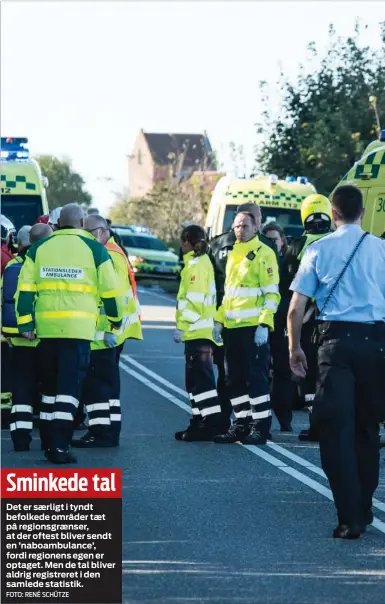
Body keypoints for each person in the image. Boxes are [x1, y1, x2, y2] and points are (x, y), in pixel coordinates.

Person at [288, 185, 385, 539]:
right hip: (375, 345)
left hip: (335, 346)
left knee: (335, 430)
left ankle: (350, 517)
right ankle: (364, 505)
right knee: (367, 429)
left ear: (333, 214)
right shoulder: (381, 249)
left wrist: (294, 348)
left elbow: (297, 307)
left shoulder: (319, 249)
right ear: (362, 213)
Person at [15, 203, 123, 464]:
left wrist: (25, 324)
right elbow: (111, 291)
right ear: (82, 222)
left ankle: (49, 443)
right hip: (78, 332)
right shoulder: (95, 249)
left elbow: (25, 290)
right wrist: (115, 320)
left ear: (58, 222)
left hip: (47, 332)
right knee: (68, 392)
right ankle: (60, 448)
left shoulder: (40, 248)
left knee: (50, 391)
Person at [72, 214, 142, 448]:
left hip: (104, 334)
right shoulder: (112, 251)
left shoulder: (109, 255)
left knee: (98, 385)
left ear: (102, 231)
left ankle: (101, 433)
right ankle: (108, 432)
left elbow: (114, 296)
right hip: (109, 332)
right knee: (109, 384)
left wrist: (109, 328)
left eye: (88, 234)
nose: (85, 239)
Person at [208, 202, 278, 430]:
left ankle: (260, 427)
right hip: (232, 327)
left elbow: (271, 294)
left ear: (255, 227)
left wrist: (264, 324)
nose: (240, 230)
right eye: (237, 226)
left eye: (245, 226)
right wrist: (218, 321)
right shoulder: (234, 254)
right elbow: (229, 294)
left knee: (256, 380)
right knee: (233, 380)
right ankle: (242, 423)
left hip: (253, 328)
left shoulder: (264, 253)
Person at [280, 194, 333, 440]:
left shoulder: (295, 246)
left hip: (306, 320)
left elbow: (286, 287)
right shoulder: (336, 243)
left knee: (308, 375)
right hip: (335, 321)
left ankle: (315, 423)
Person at [2, 224, 52, 451]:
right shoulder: (49, 264)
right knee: (49, 390)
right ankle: (50, 439)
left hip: (18, 340)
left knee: (21, 389)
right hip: (46, 339)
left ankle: (20, 438)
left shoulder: (12, 266)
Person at [174, 224, 226, 441]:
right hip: (200, 331)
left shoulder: (196, 265)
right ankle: (198, 422)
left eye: (181, 241)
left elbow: (194, 302)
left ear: (187, 242)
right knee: (196, 383)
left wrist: (182, 326)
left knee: (200, 382)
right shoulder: (201, 262)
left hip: (197, 331)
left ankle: (210, 423)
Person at [262, 222, 294, 431]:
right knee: (260, 372)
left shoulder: (289, 264)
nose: (272, 243)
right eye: (268, 240)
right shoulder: (260, 261)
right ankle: (260, 418)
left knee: (283, 372)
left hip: (282, 323)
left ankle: (285, 419)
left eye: (275, 239)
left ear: (282, 243)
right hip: (262, 323)